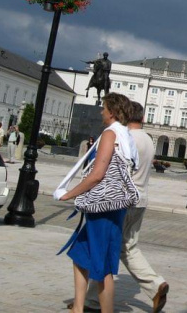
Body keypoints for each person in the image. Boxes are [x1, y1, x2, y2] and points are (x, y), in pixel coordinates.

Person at [79, 102, 169, 313]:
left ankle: (152, 285)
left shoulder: (126, 138)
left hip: (123, 201)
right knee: (126, 246)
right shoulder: (147, 139)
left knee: (107, 246)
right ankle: (94, 299)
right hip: (141, 199)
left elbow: (113, 168)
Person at [59, 93, 137, 313]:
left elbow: (98, 174)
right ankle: (78, 307)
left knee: (102, 267)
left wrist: (69, 194)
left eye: (103, 108)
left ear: (112, 111)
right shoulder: (127, 135)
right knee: (80, 253)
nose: (101, 112)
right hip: (115, 205)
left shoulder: (111, 134)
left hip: (103, 206)